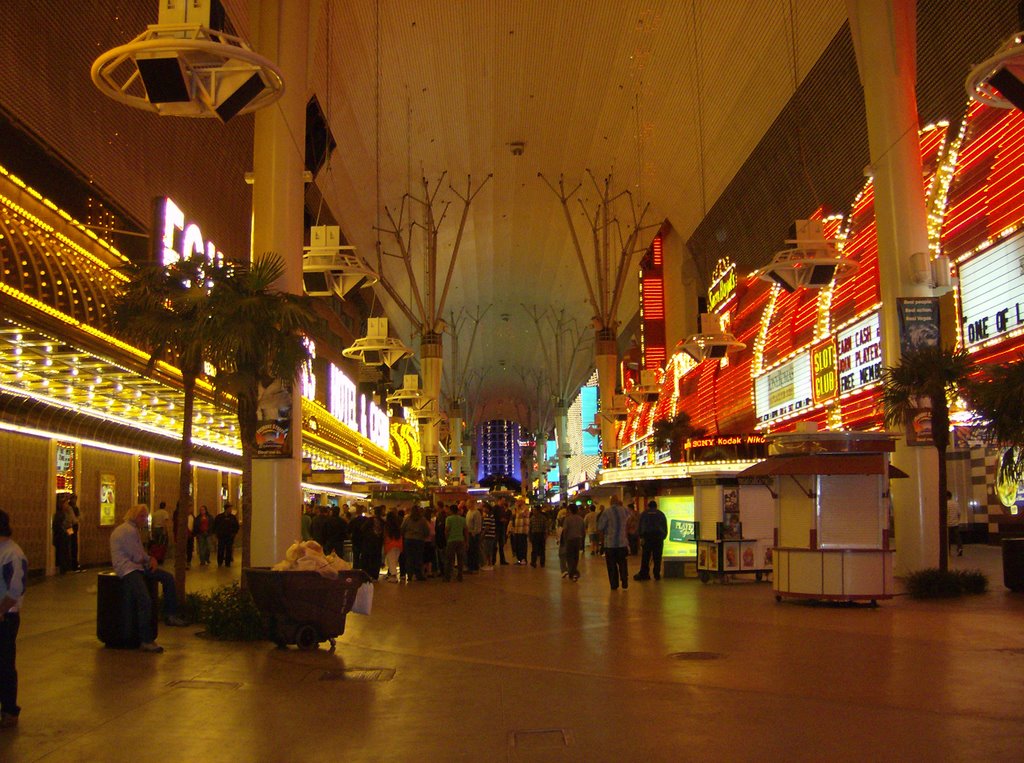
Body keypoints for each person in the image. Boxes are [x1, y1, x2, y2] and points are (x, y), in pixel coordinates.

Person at [110, 504, 188, 653]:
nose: (145, 520)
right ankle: (146, 639)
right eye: (142, 516)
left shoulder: (132, 530)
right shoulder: (128, 531)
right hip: (128, 569)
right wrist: (150, 559)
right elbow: (136, 555)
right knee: (144, 600)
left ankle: (170, 614)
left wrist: (149, 558)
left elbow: (138, 554)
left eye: (146, 517)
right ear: (134, 516)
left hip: (137, 566)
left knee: (167, 578)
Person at [0, 509, 27, 728]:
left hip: (5, 617)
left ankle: (9, 709)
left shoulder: (12, 554)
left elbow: (15, 588)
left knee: (5, 663)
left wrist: (0, 610)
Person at [597, 496, 631, 590]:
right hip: (622, 543)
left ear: (611, 502)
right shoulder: (625, 510)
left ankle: (614, 584)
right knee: (623, 563)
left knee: (611, 566)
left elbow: (600, 528)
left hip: (610, 544)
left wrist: (601, 542)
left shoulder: (606, 512)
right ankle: (624, 581)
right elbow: (630, 521)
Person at [635, 500, 668, 581]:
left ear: (648, 506)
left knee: (646, 556)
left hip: (647, 538)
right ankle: (656, 574)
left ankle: (645, 574)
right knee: (657, 557)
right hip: (658, 538)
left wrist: (641, 536)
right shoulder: (661, 514)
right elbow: (665, 526)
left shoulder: (644, 514)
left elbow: (640, 526)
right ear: (656, 506)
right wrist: (663, 537)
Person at [401, 505, 430, 582]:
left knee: (409, 557)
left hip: (408, 540)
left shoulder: (407, 519)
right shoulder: (422, 520)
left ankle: (410, 575)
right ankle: (418, 575)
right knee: (418, 558)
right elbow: (427, 531)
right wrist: (423, 536)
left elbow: (402, 528)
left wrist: (406, 535)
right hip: (419, 540)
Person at [561, 503, 586, 582]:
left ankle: (573, 573)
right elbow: (583, 531)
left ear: (570, 510)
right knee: (576, 557)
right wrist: (582, 541)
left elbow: (565, 530)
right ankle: (574, 572)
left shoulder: (567, 519)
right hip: (578, 539)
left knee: (569, 557)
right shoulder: (581, 519)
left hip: (570, 540)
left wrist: (564, 540)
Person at [444, 503, 467, 582]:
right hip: (460, 540)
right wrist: (466, 541)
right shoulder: (462, 519)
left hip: (451, 540)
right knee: (460, 559)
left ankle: (447, 577)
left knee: (449, 559)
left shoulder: (448, 519)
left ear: (451, 510)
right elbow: (465, 531)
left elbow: (447, 530)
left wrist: (447, 538)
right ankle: (460, 576)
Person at [52, 494, 73, 574]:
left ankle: (65, 567)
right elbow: (66, 525)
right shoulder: (60, 514)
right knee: (62, 553)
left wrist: (69, 534)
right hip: (61, 537)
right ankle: (63, 568)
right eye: (65, 504)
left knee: (65, 552)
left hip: (64, 536)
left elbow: (69, 524)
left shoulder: (65, 513)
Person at [383, 510, 404, 582]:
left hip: (390, 545)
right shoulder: (397, 525)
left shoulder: (387, 526)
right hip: (398, 545)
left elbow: (385, 536)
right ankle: (393, 575)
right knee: (394, 561)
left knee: (391, 561)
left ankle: (393, 576)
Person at [465, 501, 482, 573]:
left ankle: (475, 566)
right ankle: (470, 566)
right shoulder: (468, 512)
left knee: (474, 550)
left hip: (473, 534)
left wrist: (474, 533)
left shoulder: (476, 513)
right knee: (469, 551)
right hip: (468, 533)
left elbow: (477, 524)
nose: (467, 505)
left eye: (468, 504)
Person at [529, 504, 547, 568]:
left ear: (538, 511)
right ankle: (535, 562)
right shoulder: (533, 518)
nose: (533, 512)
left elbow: (545, 528)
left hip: (540, 534)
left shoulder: (541, 518)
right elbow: (530, 528)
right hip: (536, 534)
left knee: (539, 549)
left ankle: (539, 562)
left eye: (535, 510)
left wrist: (545, 535)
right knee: (536, 549)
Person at [66, 493, 81, 571]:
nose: (74, 500)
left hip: (74, 528)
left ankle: (74, 562)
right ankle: (71, 563)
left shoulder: (75, 508)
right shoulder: (69, 508)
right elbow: (74, 519)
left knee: (74, 543)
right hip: (70, 527)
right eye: (73, 498)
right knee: (71, 543)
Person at [947, 491, 963, 557]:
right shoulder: (956, 503)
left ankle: (948, 551)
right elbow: (959, 513)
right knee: (957, 538)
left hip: (948, 524)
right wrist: (958, 521)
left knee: (948, 539)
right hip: (955, 524)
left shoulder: (946, 504)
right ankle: (960, 548)